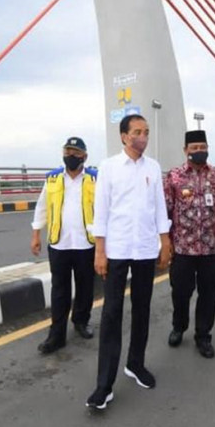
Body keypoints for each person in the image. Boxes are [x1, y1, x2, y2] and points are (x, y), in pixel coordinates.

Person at [86, 114, 172, 410]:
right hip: (118, 250)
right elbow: (101, 211)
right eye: (137, 132)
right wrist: (100, 250)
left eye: (146, 132)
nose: (143, 136)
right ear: (124, 136)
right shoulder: (109, 168)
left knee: (142, 309)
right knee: (111, 314)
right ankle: (104, 385)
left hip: (146, 249)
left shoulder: (153, 167)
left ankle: (136, 364)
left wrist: (165, 241)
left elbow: (160, 207)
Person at [163, 130, 215, 359]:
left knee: (209, 294)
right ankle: (179, 326)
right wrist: (164, 240)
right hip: (182, 249)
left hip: (212, 248)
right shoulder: (174, 176)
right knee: (181, 293)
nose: (198, 151)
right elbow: (165, 209)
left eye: (202, 147)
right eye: (194, 148)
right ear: (186, 151)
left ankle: (203, 335)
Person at [30, 136, 96, 354]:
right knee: (59, 290)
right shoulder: (53, 179)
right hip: (59, 243)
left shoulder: (95, 179)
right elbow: (42, 207)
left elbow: (105, 208)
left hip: (86, 243)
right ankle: (56, 335)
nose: (71, 156)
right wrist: (36, 235)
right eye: (67, 152)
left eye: (76, 153)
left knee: (86, 286)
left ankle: (81, 321)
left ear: (84, 156)